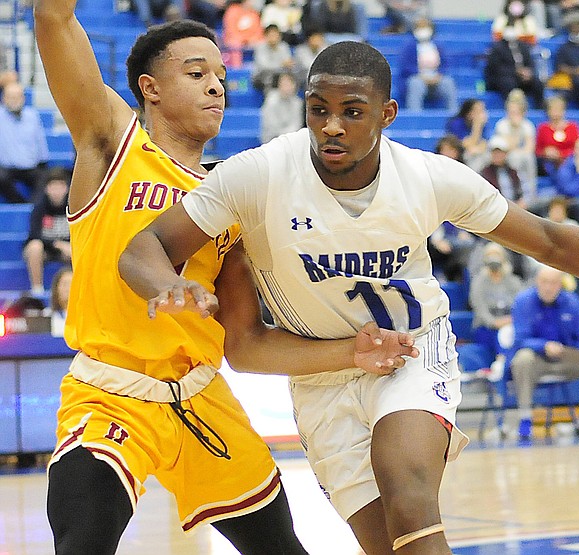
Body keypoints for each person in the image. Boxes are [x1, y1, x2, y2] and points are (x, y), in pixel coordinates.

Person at [119, 40, 579, 553]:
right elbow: (141, 250)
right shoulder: (256, 175)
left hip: (412, 350)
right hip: (320, 372)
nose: (331, 126)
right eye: (318, 109)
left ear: (387, 115)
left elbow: (554, 243)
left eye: (352, 110)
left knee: (409, 491)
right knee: (388, 544)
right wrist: (167, 284)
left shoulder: (426, 177)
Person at [35, 12, 415, 555]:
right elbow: (54, 21)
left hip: (201, 396)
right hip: (110, 394)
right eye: (195, 73)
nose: (216, 84)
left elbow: (247, 347)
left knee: (282, 547)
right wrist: (167, 284)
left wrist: (350, 353)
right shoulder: (113, 144)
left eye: (220, 76)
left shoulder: (230, 196)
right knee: (83, 541)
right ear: (151, 89)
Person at [510, 265, 579, 440]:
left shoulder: (572, 301)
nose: (548, 287)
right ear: (537, 282)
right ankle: (525, 417)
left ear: (560, 284)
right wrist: (543, 346)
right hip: (537, 359)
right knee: (522, 359)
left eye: (553, 283)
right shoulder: (522, 301)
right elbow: (520, 339)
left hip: (566, 356)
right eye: (544, 282)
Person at [469, 242, 524, 365]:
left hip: (510, 323)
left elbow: (521, 305)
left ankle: (508, 365)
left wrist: (511, 320)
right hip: (486, 326)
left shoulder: (513, 281)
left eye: (497, 254)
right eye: (490, 255)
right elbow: (479, 308)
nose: (493, 258)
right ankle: (502, 362)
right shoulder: (478, 282)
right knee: (498, 336)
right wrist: (494, 322)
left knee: (513, 334)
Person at [22, 167, 71, 295]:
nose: (56, 191)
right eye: (53, 187)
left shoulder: (72, 207)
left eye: (60, 187)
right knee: (34, 247)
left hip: (67, 249)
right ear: (47, 189)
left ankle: (79, 288)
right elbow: (34, 235)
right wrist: (57, 243)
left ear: (66, 189)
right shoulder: (39, 208)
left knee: (79, 249)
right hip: (45, 249)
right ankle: (37, 289)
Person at [0, 82, 49, 203]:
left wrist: (43, 161)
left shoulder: (33, 116)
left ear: (23, 98)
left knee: (46, 178)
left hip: (31, 168)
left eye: (17, 97)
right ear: (3, 99)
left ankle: (33, 208)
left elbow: (40, 141)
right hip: (6, 169)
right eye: (10, 97)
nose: (14, 100)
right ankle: (20, 204)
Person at [398, 18, 458, 113]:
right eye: (420, 27)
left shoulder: (438, 45)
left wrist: (439, 75)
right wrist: (421, 76)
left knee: (448, 83)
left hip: (436, 79)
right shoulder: (409, 46)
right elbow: (406, 67)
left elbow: (445, 64)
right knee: (415, 84)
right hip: (418, 78)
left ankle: (453, 114)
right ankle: (415, 115)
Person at [493, 89, 537, 202]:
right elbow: (507, 147)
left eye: (516, 112)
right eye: (511, 112)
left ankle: (530, 194)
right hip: (505, 155)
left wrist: (520, 150)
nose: (513, 115)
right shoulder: (502, 125)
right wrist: (517, 128)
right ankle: (515, 193)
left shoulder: (528, 125)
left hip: (521, 154)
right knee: (514, 157)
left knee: (529, 158)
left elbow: (529, 148)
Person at [484, 27, 544, 108]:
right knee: (508, 83)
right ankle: (512, 108)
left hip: (522, 78)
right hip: (503, 78)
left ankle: (539, 107)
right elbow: (495, 68)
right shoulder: (496, 48)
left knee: (537, 83)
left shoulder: (523, 46)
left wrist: (528, 72)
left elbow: (530, 63)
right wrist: (516, 72)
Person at [535, 95, 579, 176]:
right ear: (548, 111)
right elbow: (537, 149)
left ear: (563, 110)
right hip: (548, 162)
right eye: (553, 109)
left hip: (569, 161)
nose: (555, 113)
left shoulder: (572, 127)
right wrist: (545, 152)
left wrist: (560, 154)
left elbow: (577, 147)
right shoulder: (543, 128)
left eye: (558, 109)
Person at [480, 135, 526, 209]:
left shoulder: (513, 171)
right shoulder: (485, 173)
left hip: (516, 207)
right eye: (495, 153)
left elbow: (522, 191)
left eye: (500, 152)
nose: (497, 155)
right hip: (496, 208)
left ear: (505, 154)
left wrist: (522, 201)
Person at [445, 98, 490, 171]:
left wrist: (477, 149)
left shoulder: (483, 125)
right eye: (479, 111)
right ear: (469, 113)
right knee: (470, 155)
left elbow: (484, 143)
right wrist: (477, 126)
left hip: (476, 152)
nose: (482, 114)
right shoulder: (456, 123)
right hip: (458, 154)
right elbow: (465, 145)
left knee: (484, 155)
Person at [260, 71, 304, 144]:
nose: (287, 87)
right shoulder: (271, 100)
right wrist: (285, 136)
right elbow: (272, 126)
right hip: (271, 139)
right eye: (284, 84)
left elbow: (297, 124)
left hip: (291, 139)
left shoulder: (298, 103)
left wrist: (289, 136)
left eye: (290, 84)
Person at [251, 23, 294, 94]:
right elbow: (264, 67)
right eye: (271, 35)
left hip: (279, 75)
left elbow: (288, 64)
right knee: (270, 79)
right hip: (260, 77)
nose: (273, 37)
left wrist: (284, 66)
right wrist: (281, 65)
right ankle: (270, 101)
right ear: (266, 36)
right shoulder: (260, 47)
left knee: (290, 79)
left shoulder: (284, 47)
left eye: (275, 35)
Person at [222, 0, 265, 69]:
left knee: (262, 43)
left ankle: (260, 68)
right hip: (236, 40)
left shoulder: (254, 13)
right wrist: (244, 39)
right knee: (235, 43)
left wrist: (251, 40)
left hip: (251, 41)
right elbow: (231, 30)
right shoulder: (232, 11)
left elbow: (258, 32)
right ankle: (237, 69)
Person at [292, 27, 328, 92]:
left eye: (320, 38)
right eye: (315, 38)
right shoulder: (300, 50)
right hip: (303, 81)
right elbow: (308, 66)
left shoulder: (326, 49)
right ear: (309, 39)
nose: (318, 40)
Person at [44, 265, 72, 337]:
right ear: (56, 288)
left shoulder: (85, 318)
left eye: (71, 284)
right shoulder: (46, 315)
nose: (67, 289)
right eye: (64, 284)